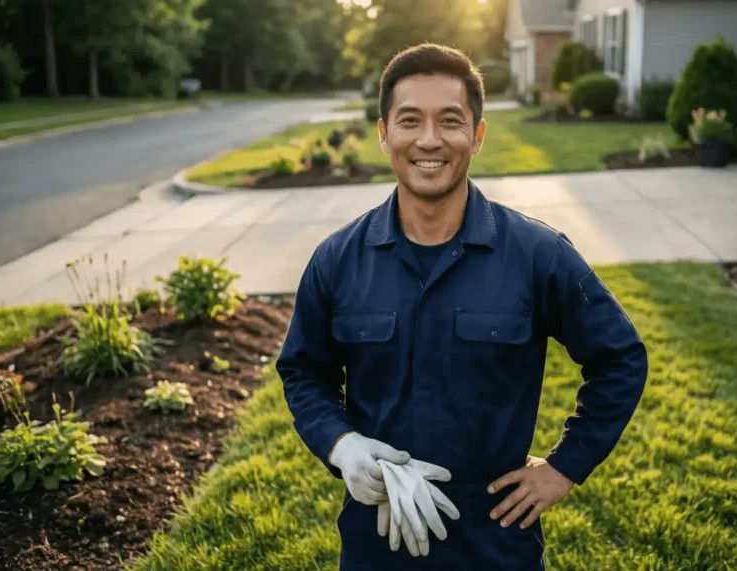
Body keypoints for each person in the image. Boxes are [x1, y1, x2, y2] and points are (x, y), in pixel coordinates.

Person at [276, 42, 649, 571]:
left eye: (450, 121)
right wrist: (342, 447)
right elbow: (303, 373)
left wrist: (565, 466)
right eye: (409, 121)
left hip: (497, 543)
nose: (429, 140)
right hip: (375, 540)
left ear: (477, 136)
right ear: (384, 134)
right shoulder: (337, 260)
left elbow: (621, 359)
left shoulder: (539, 255)